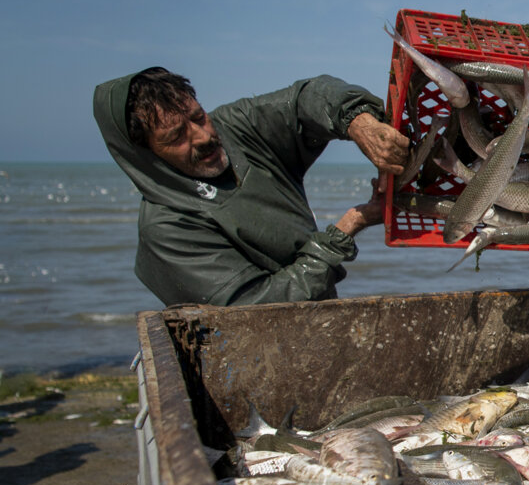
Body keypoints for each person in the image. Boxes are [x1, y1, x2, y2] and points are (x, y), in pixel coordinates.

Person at [93, 67, 409, 306]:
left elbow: (305, 99)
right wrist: (347, 227)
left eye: (199, 117)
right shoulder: (167, 229)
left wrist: (358, 122)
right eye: (176, 137)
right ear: (149, 155)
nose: (203, 137)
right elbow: (256, 306)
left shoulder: (235, 127)